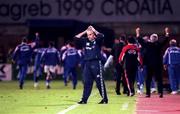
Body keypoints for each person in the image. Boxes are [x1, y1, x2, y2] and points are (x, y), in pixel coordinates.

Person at [75, 25, 108, 104]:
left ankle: (104, 99)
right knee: (87, 82)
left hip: (96, 63)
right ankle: (84, 99)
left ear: (94, 35)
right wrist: (85, 31)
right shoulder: (85, 41)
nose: (88, 36)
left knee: (99, 82)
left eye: (90, 34)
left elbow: (101, 36)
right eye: (88, 35)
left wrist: (94, 29)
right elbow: (76, 38)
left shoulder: (98, 41)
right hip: (87, 64)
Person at [136, 27, 170, 98]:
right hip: (153, 65)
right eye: (153, 37)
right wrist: (167, 33)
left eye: (154, 37)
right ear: (151, 38)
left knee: (154, 79)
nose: (153, 38)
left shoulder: (152, 44)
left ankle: (154, 93)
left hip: (153, 65)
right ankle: (154, 93)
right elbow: (165, 40)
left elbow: (140, 40)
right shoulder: (154, 44)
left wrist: (138, 33)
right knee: (153, 79)